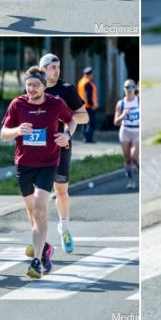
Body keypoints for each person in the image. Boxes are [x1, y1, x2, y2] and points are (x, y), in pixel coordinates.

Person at [0, 66, 76, 278]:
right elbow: (3, 134)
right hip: (24, 164)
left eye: (35, 85)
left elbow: (71, 119)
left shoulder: (55, 103)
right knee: (32, 212)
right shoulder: (18, 104)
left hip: (48, 163)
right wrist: (17, 130)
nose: (31, 88)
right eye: (28, 85)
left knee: (40, 209)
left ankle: (36, 261)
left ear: (44, 86)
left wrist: (67, 135)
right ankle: (45, 249)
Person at [40, 53, 89, 254]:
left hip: (62, 146)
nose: (56, 70)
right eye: (52, 66)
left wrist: (67, 130)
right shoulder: (34, 87)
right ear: (42, 69)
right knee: (38, 196)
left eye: (58, 66)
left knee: (61, 190)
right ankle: (39, 239)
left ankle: (64, 227)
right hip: (38, 149)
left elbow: (84, 117)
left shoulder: (66, 89)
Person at [113, 78, 141, 189]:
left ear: (135, 88)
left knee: (134, 156)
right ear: (123, 89)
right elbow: (116, 122)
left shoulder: (139, 101)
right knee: (127, 158)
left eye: (132, 87)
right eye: (127, 87)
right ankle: (131, 181)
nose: (130, 89)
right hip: (125, 131)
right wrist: (123, 115)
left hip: (137, 131)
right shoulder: (121, 104)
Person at [77, 66, 99, 143]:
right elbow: (89, 95)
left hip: (83, 105)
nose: (92, 75)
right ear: (89, 74)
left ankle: (85, 137)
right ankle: (89, 139)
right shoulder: (88, 83)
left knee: (85, 123)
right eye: (92, 74)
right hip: (89, 106)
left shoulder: (81, 82)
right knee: (91, 123)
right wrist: (92, 105)